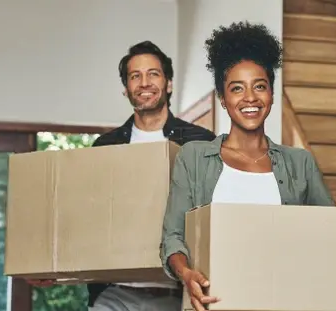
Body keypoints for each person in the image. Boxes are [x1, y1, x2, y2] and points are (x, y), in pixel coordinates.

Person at [159, 22, 336, 311]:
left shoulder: (300, 163)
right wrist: (186, 274)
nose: (250, 98)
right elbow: (173, 237)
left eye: (260, 86)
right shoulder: (193, 157)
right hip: (212, 304)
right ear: (223, 99)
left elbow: (334, 236)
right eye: (237, 88)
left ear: (272, 95)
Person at [28, 40, 216, 311]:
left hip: (177, 291)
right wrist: (52, 265)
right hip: (113, 293)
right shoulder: (106, 146)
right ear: (125, 89)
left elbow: (211, 212)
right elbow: (84, 216)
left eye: (153, 73)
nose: (144, 82)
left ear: (169, 83)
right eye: (135, 76)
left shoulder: (200, 142)